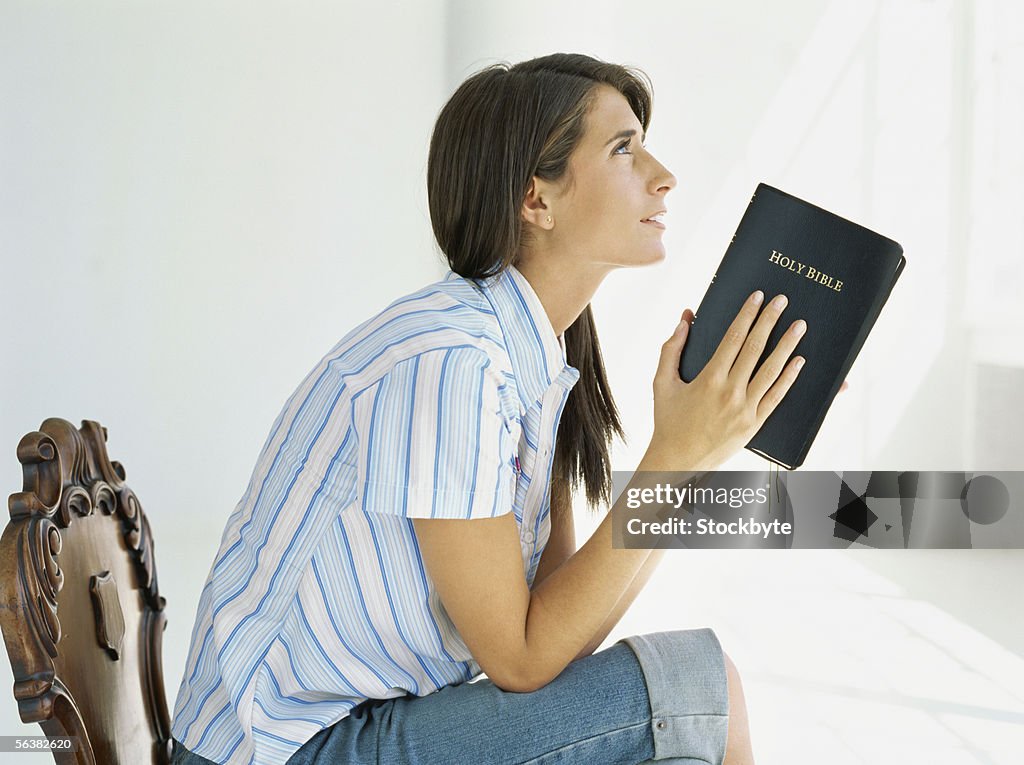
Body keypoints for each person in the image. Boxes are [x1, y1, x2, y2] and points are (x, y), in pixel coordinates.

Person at [171, 52, 809, 765]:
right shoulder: (453, 363)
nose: (663, 176)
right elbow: (521, 658)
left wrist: (693, 460)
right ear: (536, 200)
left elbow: (562, 630)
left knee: (685, 712)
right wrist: (676, 458)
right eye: (624, 149)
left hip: (355, 726)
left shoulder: (535, 361)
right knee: (703, 686)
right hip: (284, 748)